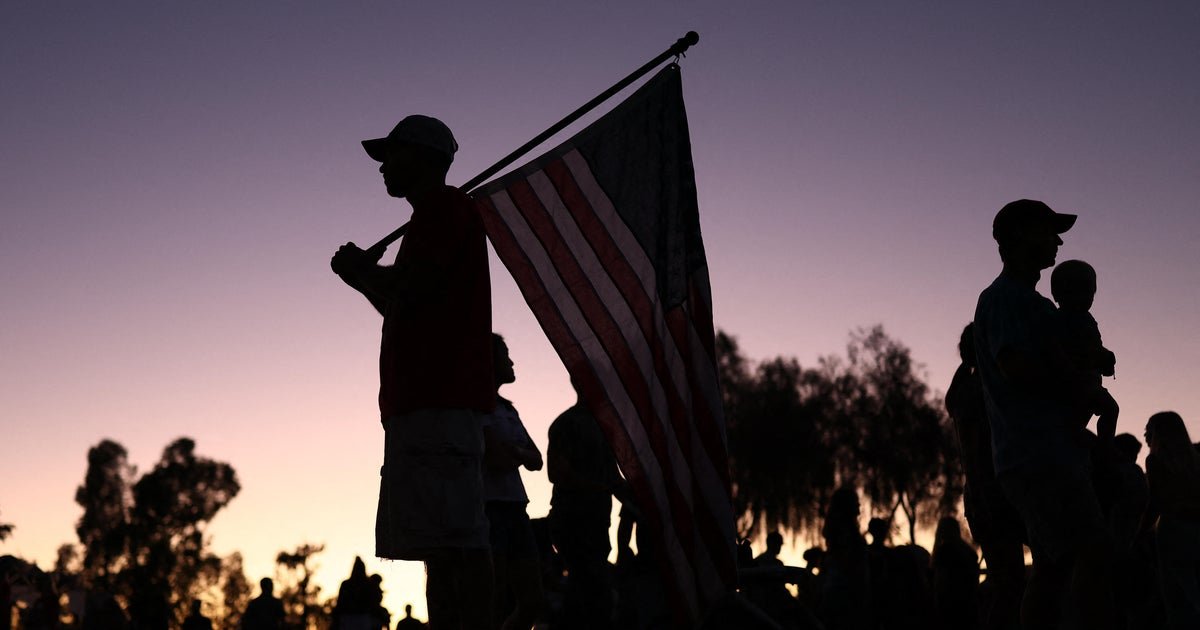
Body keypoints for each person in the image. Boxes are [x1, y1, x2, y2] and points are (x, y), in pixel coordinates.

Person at [331, 115, 494, 629]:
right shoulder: (433, 217)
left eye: (392, 156)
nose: (382, 167)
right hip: (425, 404)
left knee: (453, 546)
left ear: (422, 157)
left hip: (437, 401)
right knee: (439, 546)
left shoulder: (444, 209)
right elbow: (404, 304)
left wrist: (364, 271)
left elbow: (412, 286)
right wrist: (362, 278)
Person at [973, 199, 1118, 629]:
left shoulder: (1038, 307)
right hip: (1037, 453)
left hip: (1053, 449)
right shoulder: (1004, 299)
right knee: (1089, 553)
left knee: (1057, 566)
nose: (1058, 242)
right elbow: (1015, 367)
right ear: (1020, 236)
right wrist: (1079, 386)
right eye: (1049, 232)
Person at [945, 323, 1026, 630]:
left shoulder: (962, 391)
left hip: (980, 496)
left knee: (1006, 582)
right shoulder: (985, 390)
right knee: (1011, 584)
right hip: (993, 493)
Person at [547, 381, 630, 630]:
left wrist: (643, 501)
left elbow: (614, 479)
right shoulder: (567, 424)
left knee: (594, 593)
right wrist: (600, 488)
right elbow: (556, 473)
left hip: (596, 523)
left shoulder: (604, 426)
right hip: (572, 522)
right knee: (587, 590)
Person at [482, 333, 545, 630]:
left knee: (532, 600)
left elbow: (536, 460)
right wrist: (517, 454)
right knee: (492, 599)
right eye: (505, 354)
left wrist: (515, 452)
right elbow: (497, 459)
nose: (511, 362)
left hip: (517, 508)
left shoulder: (508, 409)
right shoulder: (478, 408)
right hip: (488, 509)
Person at [1142, 411, 1200, 629]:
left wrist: (1139, 532)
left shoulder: (1154, 461)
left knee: (1175, 594)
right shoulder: (1195, 461)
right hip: (1196, 528)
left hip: (1173, 530)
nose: (1145, 435)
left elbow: (1156, 503)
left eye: (1149, 429)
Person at [1050, 259, 1118, 440]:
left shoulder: (1086, 319)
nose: (1084, 298)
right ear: (1058, 294)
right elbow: (1069, 350)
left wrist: (1105, 357)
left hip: (1090, 381)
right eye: (1075, 291)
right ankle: (1105, 447)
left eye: (1088, 292)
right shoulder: (1061, 320)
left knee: (1106, 411)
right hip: (1077, 383)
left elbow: (1094, 346)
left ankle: (1104, 445)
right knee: (1109, 409)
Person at [931, 517, 980, 630]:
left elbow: (940, 584)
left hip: (949, 610)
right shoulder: (969, 552)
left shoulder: (944, 552)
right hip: (969, 609)